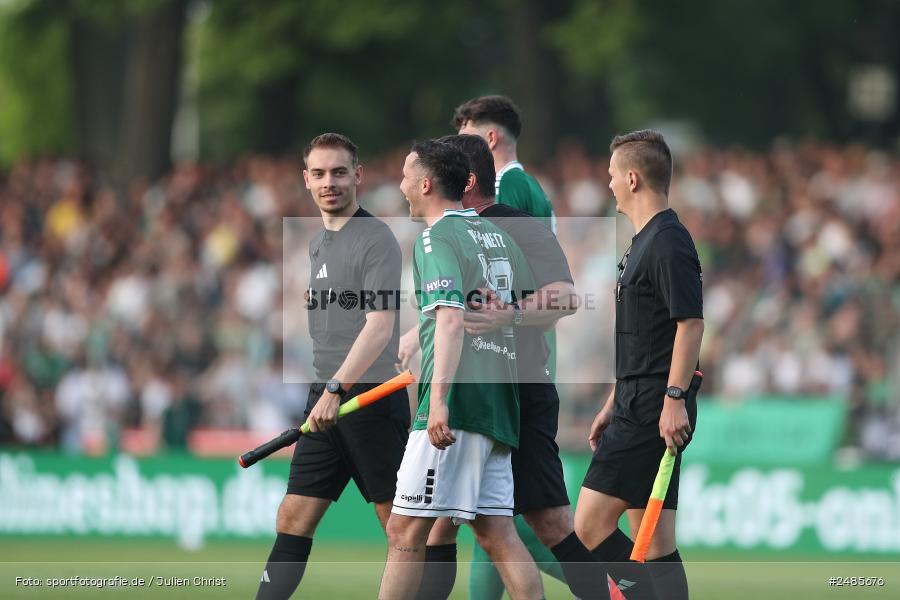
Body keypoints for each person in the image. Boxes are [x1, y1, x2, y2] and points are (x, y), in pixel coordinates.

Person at [397, 134, 612, 600]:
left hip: (510, 389)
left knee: (544, 523)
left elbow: (567, 297)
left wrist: (507, 315)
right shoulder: (473, 233)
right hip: (490, 388)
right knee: (458, 529)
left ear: (463, 179)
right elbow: (453, 309)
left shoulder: (512, 227)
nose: (405, 184)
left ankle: (619, 593)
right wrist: (422, 332)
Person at [378, 140, 543, 600]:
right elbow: (514, 306)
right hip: (499, 404)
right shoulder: (497, 236)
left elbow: (451, 318)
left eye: (407, 176)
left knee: (404, 531)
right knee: (497, 536)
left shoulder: (435, 237)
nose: (401, 185)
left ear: (426, 184)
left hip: (460, 404)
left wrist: (438, 402)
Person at [256, 133, 409, 600]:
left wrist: (336, 387)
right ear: (306, 180)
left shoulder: (376, 239)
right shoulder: (319, 243)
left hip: (367, 396)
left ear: (357, 176)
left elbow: (379, 326)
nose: (329, 183)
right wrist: (327, 389)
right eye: (319, 174)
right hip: (326, 394)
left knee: (401, 530)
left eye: (339, 172)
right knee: (294, 517)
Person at [574, 130, 704, 600]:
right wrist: (613, 400)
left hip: (653, 405)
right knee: (656, 545)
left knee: (587, 528)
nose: (607, 184)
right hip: (636, 399)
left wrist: (673, 399)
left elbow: (690, 324)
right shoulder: (644, 240)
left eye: (611, 175)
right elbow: (648, 337)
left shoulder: (669, 241)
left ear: (631, 178)